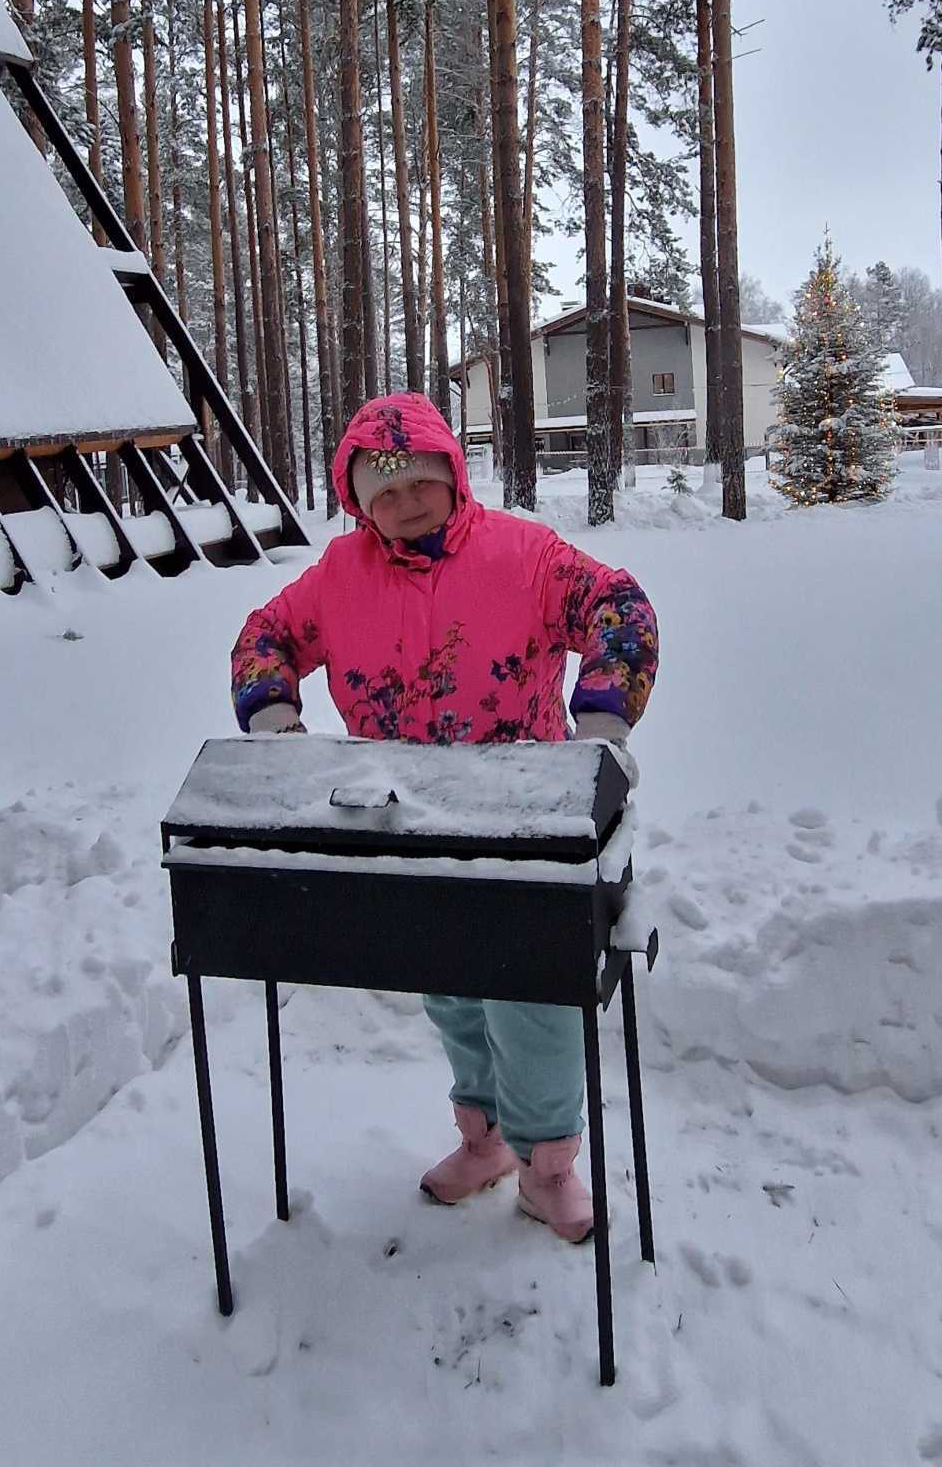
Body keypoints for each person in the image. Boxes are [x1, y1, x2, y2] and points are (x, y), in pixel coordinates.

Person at [230, 393, 658, 1244]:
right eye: (381, 493)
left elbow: (622, 608)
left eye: (417, 481)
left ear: (450, 474)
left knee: (529, 1002)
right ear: (359, 502)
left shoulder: (522, 554)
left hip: (525, 827)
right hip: (409, 825)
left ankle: (548, 1169)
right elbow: (264, 638)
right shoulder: (340, 576)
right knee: (453, 990)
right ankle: (485, 1140)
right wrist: (277, 726)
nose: (404, 504)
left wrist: (601, 729)